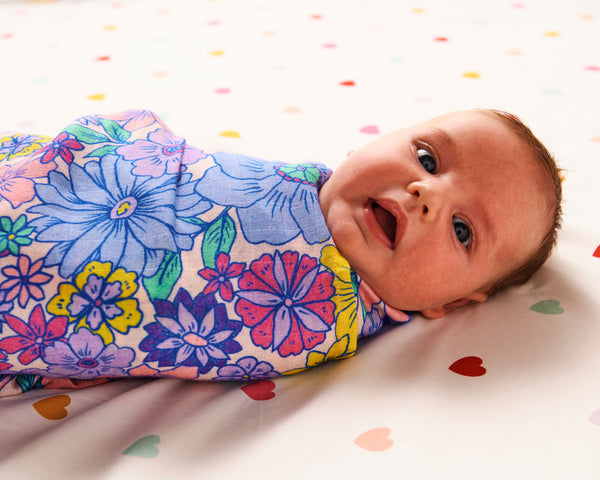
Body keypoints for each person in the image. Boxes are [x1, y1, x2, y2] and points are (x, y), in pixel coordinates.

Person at [0, 109, 561, 396]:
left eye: (463, 231)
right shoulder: (307, 183)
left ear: (455, 303)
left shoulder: (322, 310)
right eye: (427, 158)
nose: (427, 194)